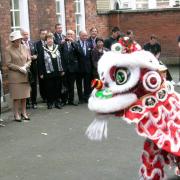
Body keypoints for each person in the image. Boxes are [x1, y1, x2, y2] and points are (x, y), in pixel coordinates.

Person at [6, 30, 31, 121]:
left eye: (19, 39)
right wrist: (19, 68)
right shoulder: (8, 49)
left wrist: (25, 66)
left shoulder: (24, 47)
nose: (18, 41)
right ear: (13, 41)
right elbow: (8, 64)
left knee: (24, 96)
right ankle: (16, 114)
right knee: (16, 97)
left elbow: (29, 60)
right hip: (15, 77)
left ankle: (24, 112)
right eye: (16, 40)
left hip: (25, 75)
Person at [37, 32, 64, 109]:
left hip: (58, 71)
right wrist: (41, 73)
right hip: (47, 72)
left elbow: (62, 59)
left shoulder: (57, 47)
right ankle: (50, 102)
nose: (50, 40)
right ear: (46, 40)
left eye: (51, 38)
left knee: (58, 87)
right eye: (48, 39)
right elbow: (40, 62)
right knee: (49, 88)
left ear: (53, 39)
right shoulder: (42, 49)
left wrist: (62, 70)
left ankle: (57, 102)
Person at [61, 30, 82, 106]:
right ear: (66, 35)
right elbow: (60, 56)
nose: (69, 36)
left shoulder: (76, 43)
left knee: (71, 85)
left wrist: (73, 43)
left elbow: (79, 53)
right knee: (65, 85)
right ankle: (64, 100)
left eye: (71, 34)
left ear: (74, 36)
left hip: (73, 68)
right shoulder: (63, 44)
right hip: (64, 68)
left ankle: (71, 100)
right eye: (68, 34)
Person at [21, 29, 38, 109]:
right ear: (21, 35)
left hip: (33, 67)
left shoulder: (32, 43)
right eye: (24, 34)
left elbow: (37, 53)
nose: (26, 36)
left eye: (27, 34)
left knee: (34, 85)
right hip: (25, 67)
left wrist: (35, 56)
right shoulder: (20, 44)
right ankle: (27, 102)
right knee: (26, 85)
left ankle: (34, 102)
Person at [77, 30, 93, 103]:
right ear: (79, 36)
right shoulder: (75, 44)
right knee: (79, 84)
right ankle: (80, 98)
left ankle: (86, 97)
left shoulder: (89, 44)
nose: (85, 37)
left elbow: (90, 57)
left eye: (86, 35)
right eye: (83, 36)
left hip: (87, 68)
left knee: (87, 84)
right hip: (79, 68)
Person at [36, 29, 47, 102]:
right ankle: (44, 97)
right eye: (43, 34)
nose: (44, 35)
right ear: (40, 35)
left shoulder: (50, 42)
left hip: (49, 66)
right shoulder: (37, 44)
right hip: (41, 66)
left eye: (45, 34)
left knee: (49, 82)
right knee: (42, 83)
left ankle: (49, 96)